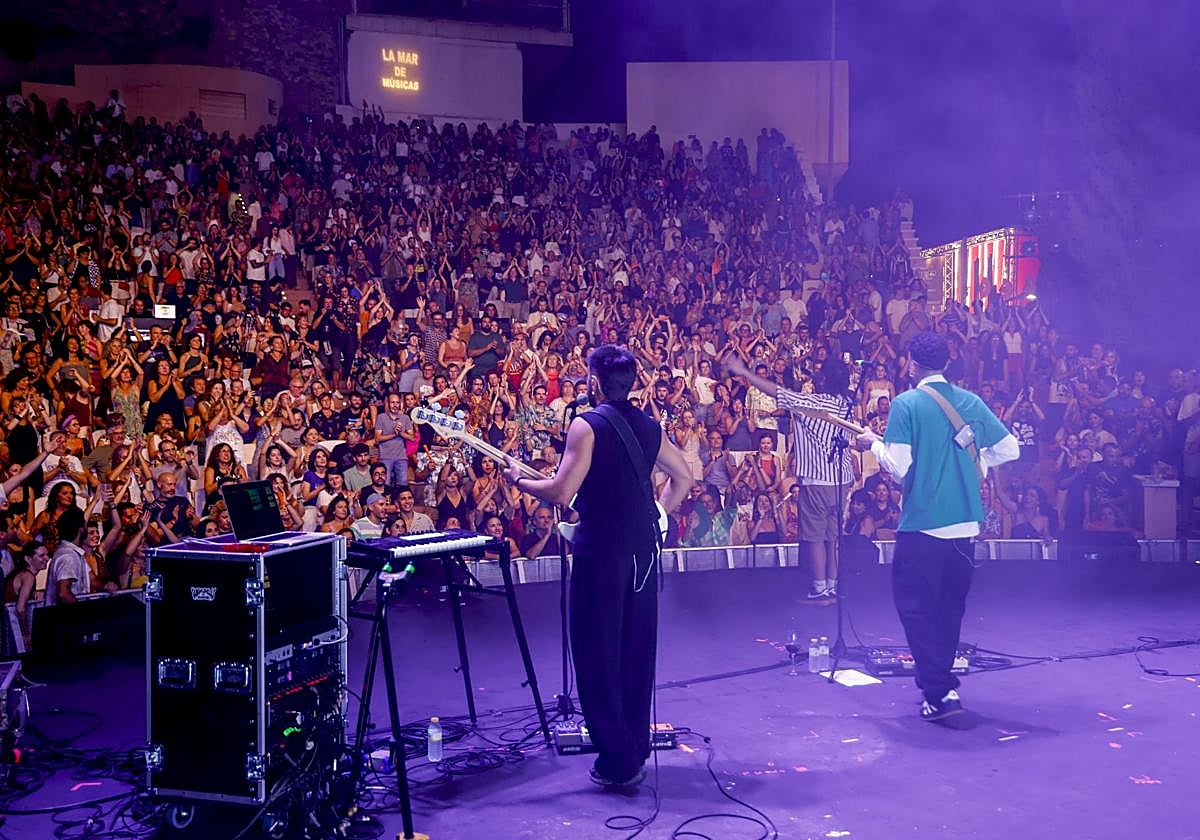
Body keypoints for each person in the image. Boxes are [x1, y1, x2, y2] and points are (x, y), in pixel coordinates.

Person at [505, 344, 693, 788]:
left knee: (596, 648)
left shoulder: (586, 426)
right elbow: (685, 478)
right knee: (635, 647)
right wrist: (658, 519)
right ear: (631, 384)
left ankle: (617, 758)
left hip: (603, 553)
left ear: (593, 382)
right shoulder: (649, 426)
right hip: (643, 554)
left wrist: (519, 479)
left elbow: (560, 492)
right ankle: (635, 747)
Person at [852, 332, 1018, 722]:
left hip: (924, 525)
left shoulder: (906, 404)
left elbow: (899, 468)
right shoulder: (971, 401)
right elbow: (1010, 449)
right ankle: (941, 688)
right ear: (946, 362)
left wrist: (871, 445)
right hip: (964, 526)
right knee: (949, 610)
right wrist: (975, 463)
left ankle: (938, 691)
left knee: (916, 610)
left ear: (911, 362)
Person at [727, 355, 857, 602]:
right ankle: (832, 585)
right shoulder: (846, 403)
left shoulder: (811, 402)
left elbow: (777, 392)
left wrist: (744, 371)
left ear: (825, 379)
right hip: (842, 478)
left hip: (818, 479)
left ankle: (820, 589)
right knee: (833, 537)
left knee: (817, 537)